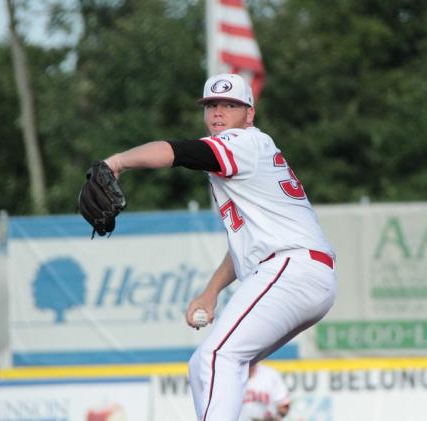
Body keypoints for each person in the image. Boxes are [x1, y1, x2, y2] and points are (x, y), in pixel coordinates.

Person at [102, 73, 336, 421]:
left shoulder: (243, 143)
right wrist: (211, 292)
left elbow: (178, 152)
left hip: (290, 270)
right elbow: (247, 243)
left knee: (216, 358)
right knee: (212, 361)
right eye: (211, 104)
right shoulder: (248, 159)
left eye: (230, 105)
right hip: (299, 272)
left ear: (249, 114)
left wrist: (117, 161)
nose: (218, 112)